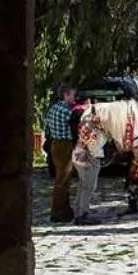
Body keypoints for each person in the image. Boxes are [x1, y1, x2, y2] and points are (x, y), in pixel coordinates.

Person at [40, 83, 78, 224]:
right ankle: (58, 212)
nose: (74, 98)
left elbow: (47, 128)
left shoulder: (52, 109)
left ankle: (65, 209)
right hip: (65, 145)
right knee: (63, 180)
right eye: (73, 95)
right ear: (66, 95)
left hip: (55, 144)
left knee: (61, 177)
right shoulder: (66, 111)